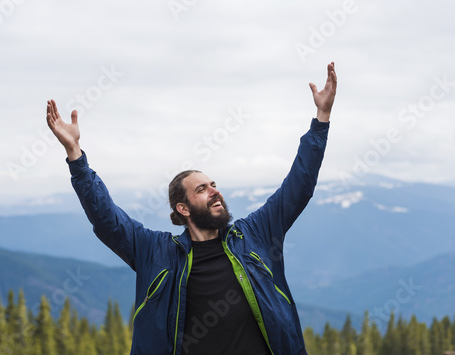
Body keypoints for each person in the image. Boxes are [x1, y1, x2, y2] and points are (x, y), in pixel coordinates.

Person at [46, 62, 337, 355]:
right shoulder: (156, 252)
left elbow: (298, 186)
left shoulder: (255, 235)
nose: (215, 192)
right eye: (202, 189)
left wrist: (321, 119)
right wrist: (75, 156)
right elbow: (107, 219)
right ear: (183, 208)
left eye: (213, 184)